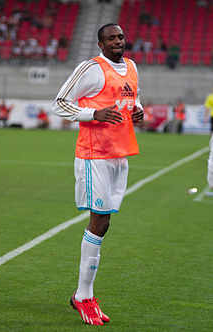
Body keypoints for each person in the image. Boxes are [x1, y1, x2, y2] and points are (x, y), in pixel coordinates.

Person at [52, 23, 144, 326]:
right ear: (100, 44)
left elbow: (132, 97)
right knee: (99, 220)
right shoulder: (91, 69)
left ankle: (83, 294)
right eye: (111, 38)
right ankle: (83, 296)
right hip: (95, 155)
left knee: (104, 223)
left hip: (121, 153)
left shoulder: (131, 66)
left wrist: (138, 110)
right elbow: (60, 104)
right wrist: (93, 114)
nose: (118, 41)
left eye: (120, 36)